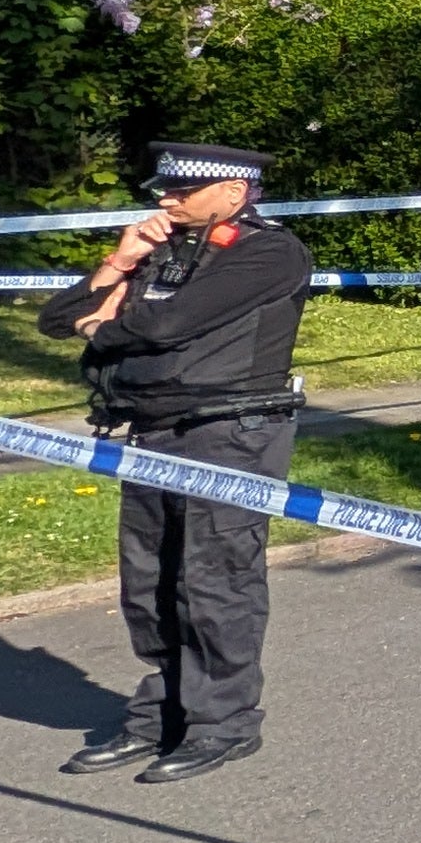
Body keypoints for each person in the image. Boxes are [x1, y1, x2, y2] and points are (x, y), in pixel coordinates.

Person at [36, 143, 316, 784]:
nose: (165, 200)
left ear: (234, 192)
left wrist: (105, 321)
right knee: (149, 582)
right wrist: (121, 260)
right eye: (163, 190)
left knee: (216, 579)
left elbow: (172, 326)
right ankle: (161, 713)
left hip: (230, 430)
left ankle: (221, 723)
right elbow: (56, 320)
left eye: (182, 191)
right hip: (153, 429)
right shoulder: (162, 246)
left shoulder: (268, 252)